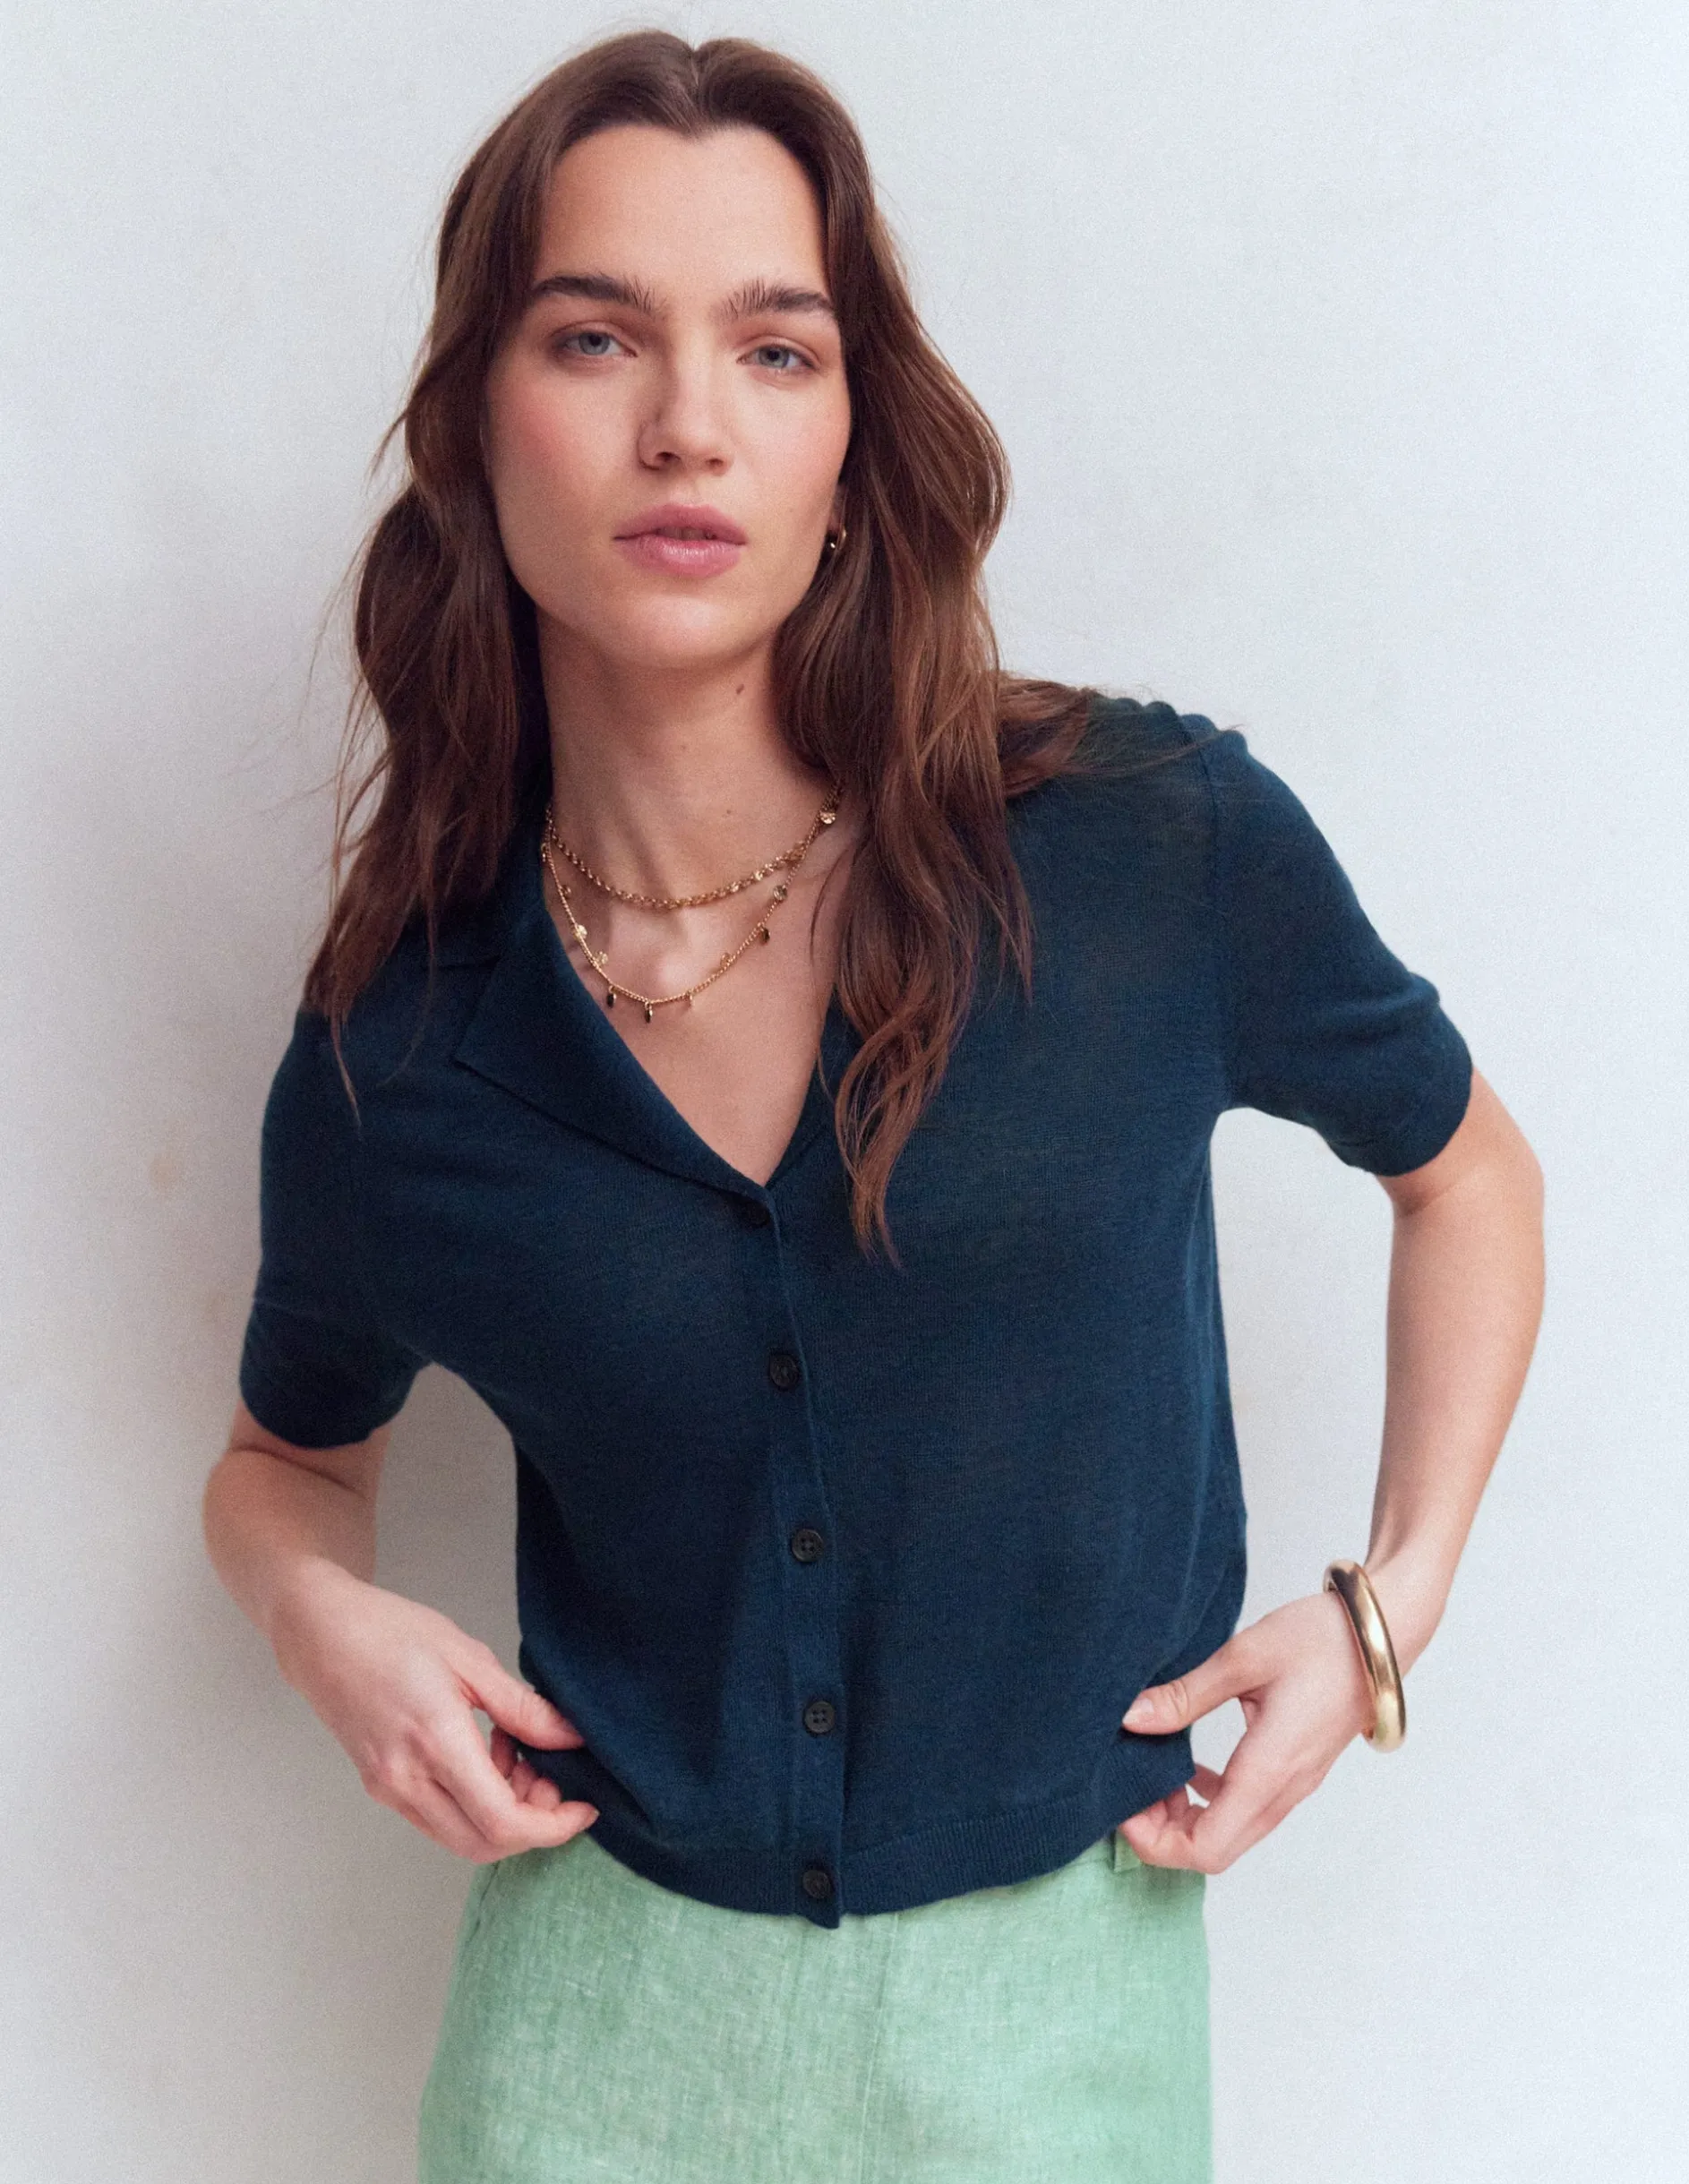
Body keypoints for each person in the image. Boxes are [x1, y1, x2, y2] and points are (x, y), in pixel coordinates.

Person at [201, 30, 1544, 2184]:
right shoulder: (404, 1052)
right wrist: (321, 1618)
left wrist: (1390, 1599)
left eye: (775, 348)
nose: (687, 424)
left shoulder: (1142, 846)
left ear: (851, 436)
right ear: (474, 425)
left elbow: (1464, 1172)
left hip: (1057, 2037)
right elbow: (284, 1462)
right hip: (588, 2050)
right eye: (593, 337)